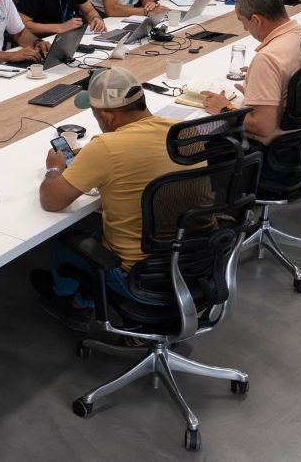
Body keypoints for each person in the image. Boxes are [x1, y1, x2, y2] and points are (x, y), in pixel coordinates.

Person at [30, 67, 193, 331]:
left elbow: (51, 200)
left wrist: (54, 169)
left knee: (65, 244)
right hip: (196, 262)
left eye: (95, 114)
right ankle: (86, 296)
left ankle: (75, 306)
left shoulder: (106, 147)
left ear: (107, 115)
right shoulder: (184, 133)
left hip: (137, 275)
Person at [200, 0, 301, 146]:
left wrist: (226, 109)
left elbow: (263, 127)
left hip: (271, 147)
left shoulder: (268, 58)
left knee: (201, 130)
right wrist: (261, 86)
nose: (245, 29)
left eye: (243, 21)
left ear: (256, 20)